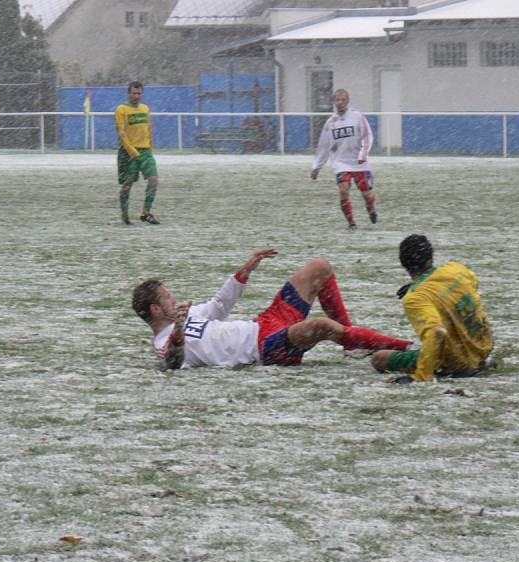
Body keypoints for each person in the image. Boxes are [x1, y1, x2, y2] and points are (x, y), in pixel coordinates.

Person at [132, 248, 412, 370]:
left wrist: (246, 268)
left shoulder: (190, 314)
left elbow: (219, 304)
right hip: (266, 349)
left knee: (320, 268)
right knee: (322, 327)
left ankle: (351, 343)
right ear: (156, 310)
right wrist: (179, 328)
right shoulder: (161, 342)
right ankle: (405, 348)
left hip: (264, 324)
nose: (175, 299)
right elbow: (171, 360)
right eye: (168, 298)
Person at [371, 234, 495, 383]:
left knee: (379, 359)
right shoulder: (455, 269)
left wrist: (422, 376)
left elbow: (436, 332)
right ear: (431, 256)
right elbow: (472, 283)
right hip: (483, 346)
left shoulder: (416, 298)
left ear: (403, 263)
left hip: (457, 359)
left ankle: (457, 366)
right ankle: (478, 359)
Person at [310, 89, 378, 230]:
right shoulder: (331, 122)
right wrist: (316, 167)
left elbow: (367, 136)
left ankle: (370, 208)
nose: (340, 103)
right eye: (337, 100)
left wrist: (363, 154)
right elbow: (323, 145)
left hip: (359, 163)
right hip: (341, 163)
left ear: (347, 101)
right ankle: (351, 223)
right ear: (334, 102)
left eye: (343, 100)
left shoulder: (357, 116)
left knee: (367, 194)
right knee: (343, 190)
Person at [114, 81, 160, 225]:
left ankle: (146, 213)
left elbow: (148, 128)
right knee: (128, 184)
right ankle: (124, 215)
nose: (136, 96)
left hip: (145, 151)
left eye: (139, 93)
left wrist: (150, 145)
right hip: (128, 153)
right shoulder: (121, 110)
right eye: (134, 93)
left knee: (153, 179)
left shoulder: (145, 109)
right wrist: (131, 150)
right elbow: (121, 133)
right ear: (128, 93)